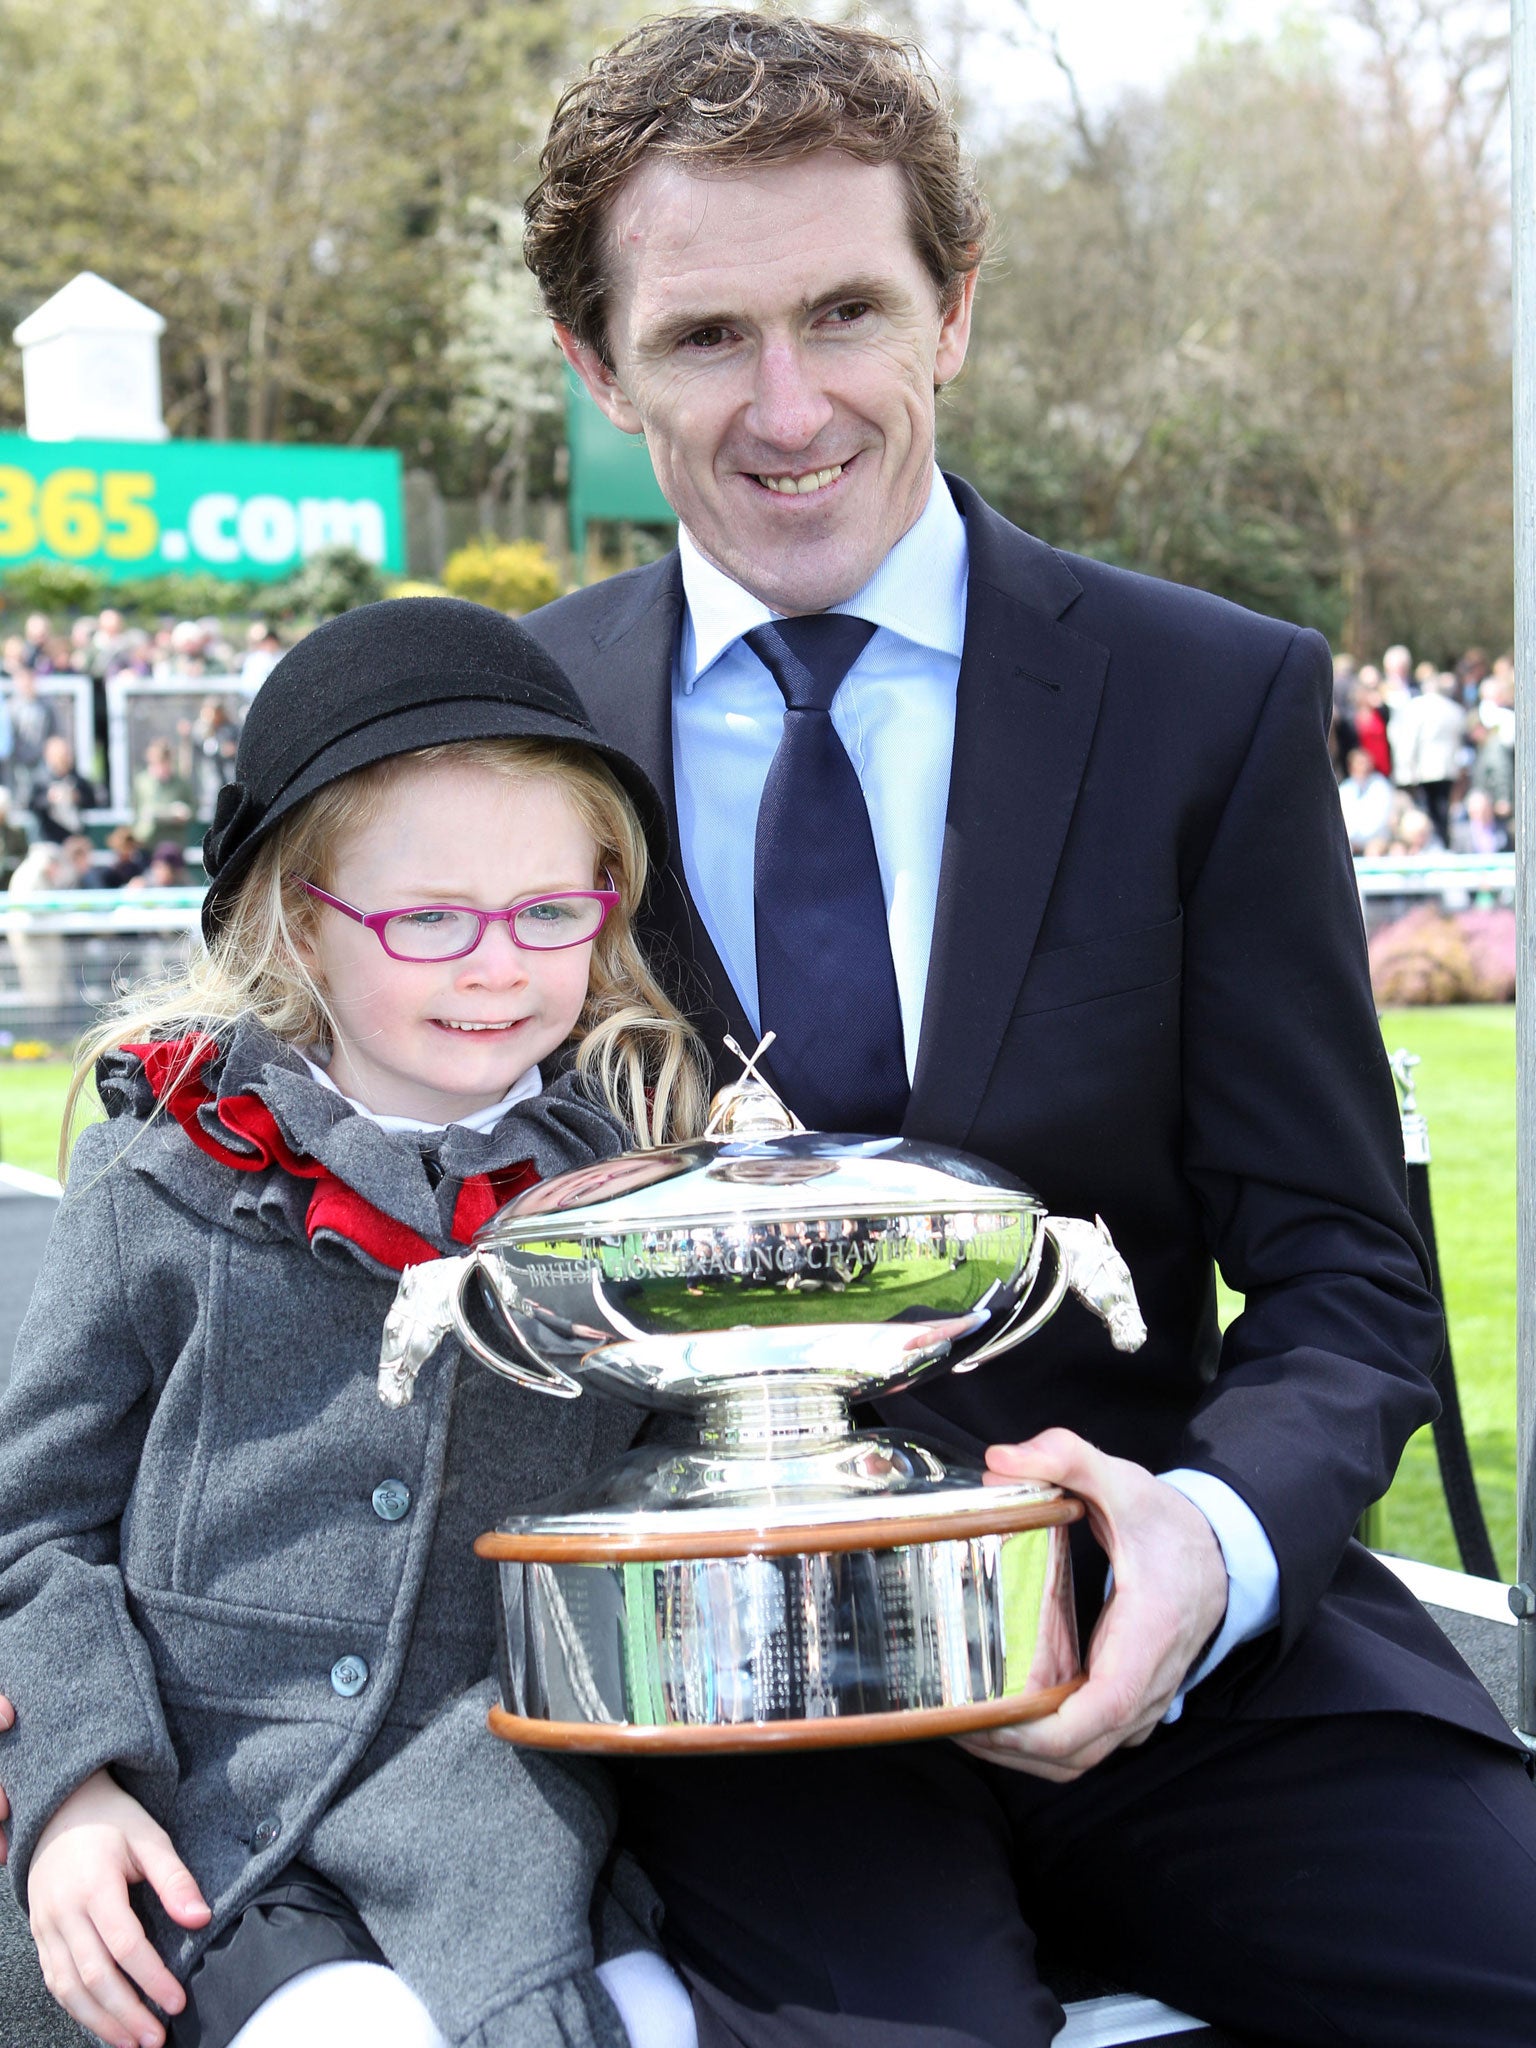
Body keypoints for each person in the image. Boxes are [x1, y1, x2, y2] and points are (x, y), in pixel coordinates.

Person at [512, 13, 1536, 2045]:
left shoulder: (1206, 699)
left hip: (1185, 1640)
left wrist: (1211, 1549)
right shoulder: (502, 724)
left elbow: (1346, 1276)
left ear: (954, 311)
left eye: (846, 311)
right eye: (707, 336)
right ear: (597, 369)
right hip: (731, 1698)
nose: (790, 403)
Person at [0, 599, 706, 2048]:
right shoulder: (166, 1175)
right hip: (196, 1816)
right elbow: (29, 1531)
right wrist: (70, 1793)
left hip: (505, 1819)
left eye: (549, 913)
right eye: (429, 916)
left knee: (658, 2022)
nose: (497, 965)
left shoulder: (618, 1202)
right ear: (297, 912)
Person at [29, 735, 101, 844]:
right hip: (48, 839)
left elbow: (92, 801)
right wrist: (48, 799)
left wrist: (77, 797)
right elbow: (31, 804)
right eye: (60, 756)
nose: (64, 759)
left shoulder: (78, 779)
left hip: (74, 839)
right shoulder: (40, 780)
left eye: (66, 755)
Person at [131, 737, 197, 848]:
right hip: (147, 840)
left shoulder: (181, 783)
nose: (162, 768)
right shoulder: (142, 782)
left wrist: (184, 813)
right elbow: (136, 810)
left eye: (165, 762)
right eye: (159, 763)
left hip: (173, 841)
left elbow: (193, 808)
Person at [1337, 745, 1395, 854]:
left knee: (1374, 850)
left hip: (1376, 839)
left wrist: (1364, 838)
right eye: (1359, 763)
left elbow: (1380, 819)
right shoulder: (1344, 789)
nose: (1363, 767)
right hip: (1350, 840)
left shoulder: (1380, 785)